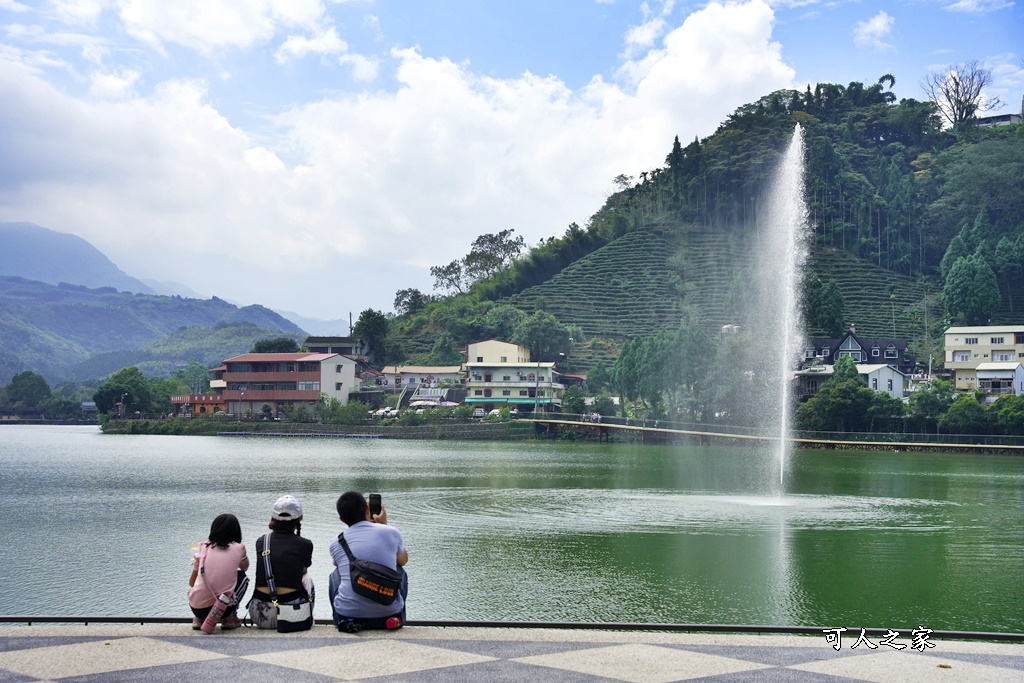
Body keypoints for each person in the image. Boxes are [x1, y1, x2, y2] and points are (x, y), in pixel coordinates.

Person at [329, 491, 409, 631]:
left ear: (341, 519)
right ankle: (396, 617)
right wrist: (384, 525)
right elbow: (403, 561)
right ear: (367, 507)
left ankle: (344, 620)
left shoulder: (336, 542)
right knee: (400, 571)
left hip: (348, 614)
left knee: (336, 573)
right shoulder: (390, 532)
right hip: (387, 615)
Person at [249, 494, 314, 628]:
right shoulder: (305, 544)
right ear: (299, 519)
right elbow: (303, 570)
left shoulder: (262, 542)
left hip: (259, 615)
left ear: (273, 517)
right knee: (307, 579)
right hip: (291, 616)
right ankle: (308, 618)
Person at [188, 513, 249, 630]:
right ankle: (229, 618)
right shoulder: (239, 548)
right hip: (222, 609)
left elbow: (192, 583)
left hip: (196, 608)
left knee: (200, 587)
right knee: (243, 578)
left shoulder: (202, 547)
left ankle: (199, 619)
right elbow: (244, 568)